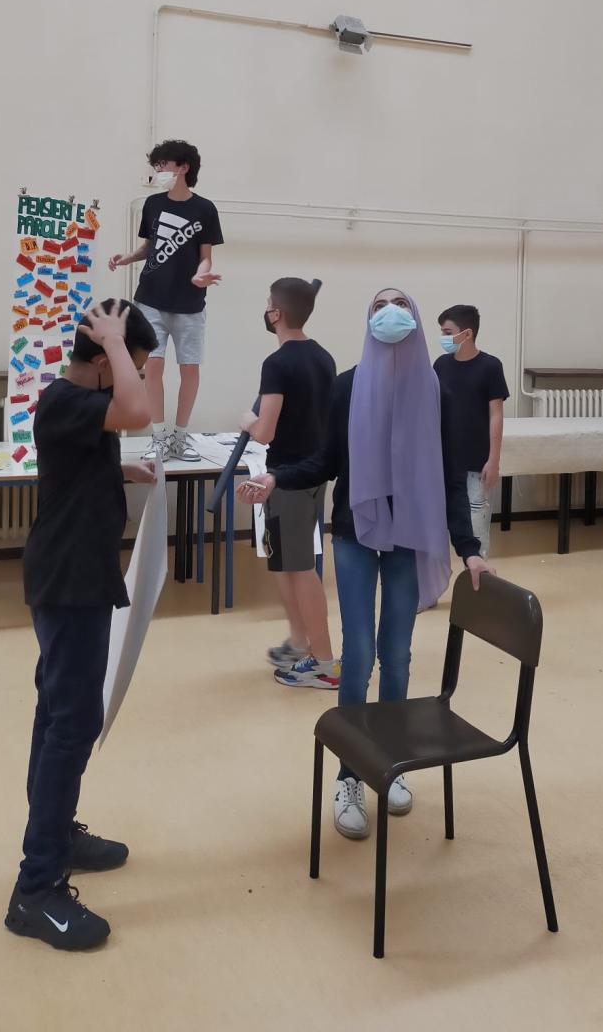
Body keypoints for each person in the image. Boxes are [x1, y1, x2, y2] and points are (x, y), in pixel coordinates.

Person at [238, 289, 494, 841]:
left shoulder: (436, 391)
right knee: (358, 655)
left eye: (399, 302)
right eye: (379, 305)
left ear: (416, 319)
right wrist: (277, 477)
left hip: (408, 536)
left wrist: (469, 546)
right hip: (356, 531)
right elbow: (327, 458)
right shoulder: (348, 386)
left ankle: (392, 762)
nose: (390, 312)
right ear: (368, 319)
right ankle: (350, 775)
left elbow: (451, 477)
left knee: (397, 656)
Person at [5, 299, 157, 952]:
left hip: (75, 576)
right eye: (128, 367)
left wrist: (121, 469)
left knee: (60, 715)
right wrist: (121, 344)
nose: (134, 378)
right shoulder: (67, 399)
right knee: (71, 724)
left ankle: (59, 833)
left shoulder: (77, 406)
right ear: (101, 361)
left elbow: (81, 457)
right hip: (68, 582)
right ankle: (35, 888)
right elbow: (138, 412)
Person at [239, 278, 339, 689]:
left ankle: (325, 663)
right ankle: (300, 640)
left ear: (276, 313)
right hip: (313, 473)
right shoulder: (324, 357)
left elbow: (264, 431)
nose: (266, 311)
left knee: (300, 569)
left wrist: (247, 420)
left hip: (288, 479)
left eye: (268, 304)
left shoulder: (277, 364)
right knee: (284, 563)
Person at [109, 140, 223, 462]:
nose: (159, 171)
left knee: (190, 369)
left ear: (183, 167)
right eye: (156, 165)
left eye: (163, 165)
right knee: (154, 365)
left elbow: (206, 256)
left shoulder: (205, 209)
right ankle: (158, 436)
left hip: (190, 303)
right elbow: (149, 247)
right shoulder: (153, 204)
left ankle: (180, 437)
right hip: (151, 299)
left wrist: (201, 274)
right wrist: (126, 258)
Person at [433, 304, 509, 560]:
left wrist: (494, 460)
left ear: (467, 334)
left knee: (476, 526)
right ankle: (435, 580)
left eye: (447, 332)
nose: (443, 338)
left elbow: (496, 415)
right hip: (445, 461)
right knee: (440, 526)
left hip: (477, 462)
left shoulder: (490, 366)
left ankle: (478, 574)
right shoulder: (440, 365)